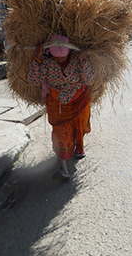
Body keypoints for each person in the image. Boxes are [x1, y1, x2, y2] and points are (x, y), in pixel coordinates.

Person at [28, 33, 94, 180]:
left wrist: (83, 60)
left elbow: (89, 79)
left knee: (79, 126)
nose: (59, 60)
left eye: (62, 58)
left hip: (79, 100)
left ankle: (79, 148)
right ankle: (63, 167)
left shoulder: (77, 59)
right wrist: (37, 58)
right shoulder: (46, 61)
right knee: (60, 132)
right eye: (56, 58)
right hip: (57, 104)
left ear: (70, 53)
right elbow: (33, 80)